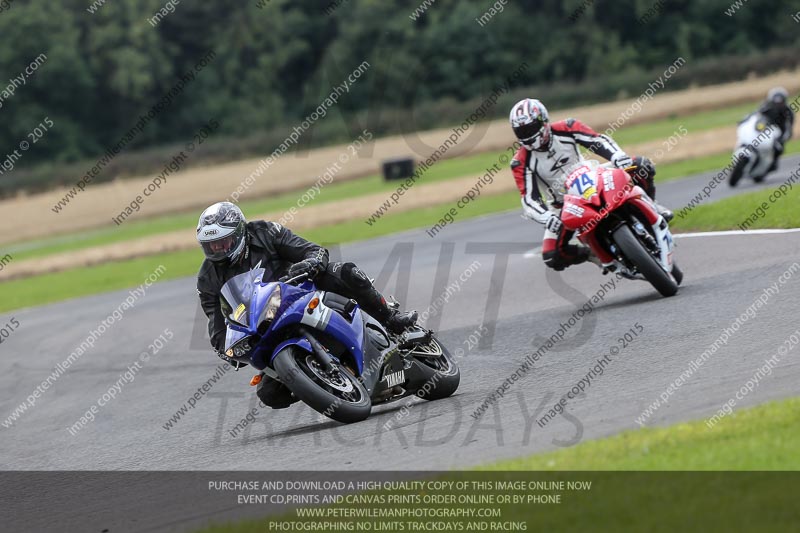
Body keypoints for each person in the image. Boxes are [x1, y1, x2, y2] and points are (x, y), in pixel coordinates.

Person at [196, 202, 418, 408]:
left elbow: (311, 250)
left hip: (298, 293)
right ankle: (321, 383)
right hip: (263, 326)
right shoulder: (207, 278)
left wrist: (311, 262)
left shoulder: (265, 232)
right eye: (211, 246)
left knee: (344, 272)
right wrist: (226, 349)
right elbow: (217, 324)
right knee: (270, 394)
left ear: (239, 233)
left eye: (223, 242)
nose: (218, 250)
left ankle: (390, 318)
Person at [508, 98, 672, 272]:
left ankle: (652, 205)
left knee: (640, 165)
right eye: (521, 131)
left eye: (530, 128)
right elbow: (529, 199)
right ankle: (592, 254)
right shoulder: (520, 162)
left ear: (544, 120)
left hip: (593, 177)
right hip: (563, 206)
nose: (527, 135)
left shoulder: (567, 127)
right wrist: (546, 217)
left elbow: (597, 140)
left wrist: (618, 157)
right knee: (552, 255)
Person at [750, 87, 795, 171]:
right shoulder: (765, 106)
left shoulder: (788, 111)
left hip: (778, 133)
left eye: (780, 101)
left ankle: (772, 163)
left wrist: (783, 138)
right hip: (764, 129)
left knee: (779, 149)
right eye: (776, 101)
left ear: (784, 100)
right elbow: (756, 115)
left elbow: (789, 127)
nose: (778, 104)